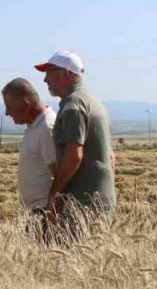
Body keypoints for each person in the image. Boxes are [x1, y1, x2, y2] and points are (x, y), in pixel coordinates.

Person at [34, 51, 116, 231]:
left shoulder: (73, 105)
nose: (45, 80)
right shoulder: (93, 102)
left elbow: (74, 155)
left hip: (81, 202)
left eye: (49, 72)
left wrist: (54, 196)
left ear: (67, 74)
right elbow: (111, 156)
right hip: (101, 199)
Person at [1, 78, 58, 219]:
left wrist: (54, 209)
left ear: (25, 104)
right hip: (34, 211)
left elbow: (59, 172)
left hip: (45, 212)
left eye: (9, 106)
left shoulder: (46, 128)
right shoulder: (34, 126)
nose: (7, 113)